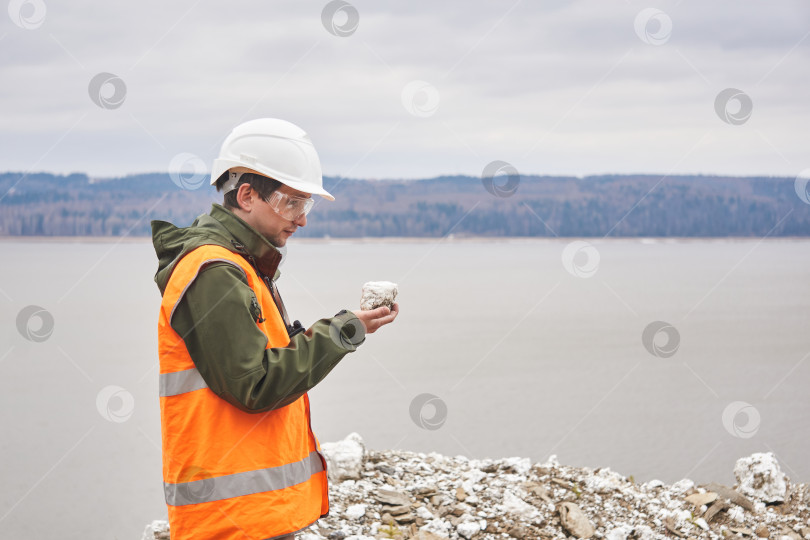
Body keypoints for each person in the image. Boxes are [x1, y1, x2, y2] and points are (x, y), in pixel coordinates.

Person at [151, 118, 398, 540]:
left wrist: (349, 327)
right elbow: (256, 385)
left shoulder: (240, 266)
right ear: (246, 195)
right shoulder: (213, 272)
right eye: (292, 203)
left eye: (308, 205)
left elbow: (260, 362)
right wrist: (339, 333)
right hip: (233, 521)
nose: (302, 219)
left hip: (252, 516)